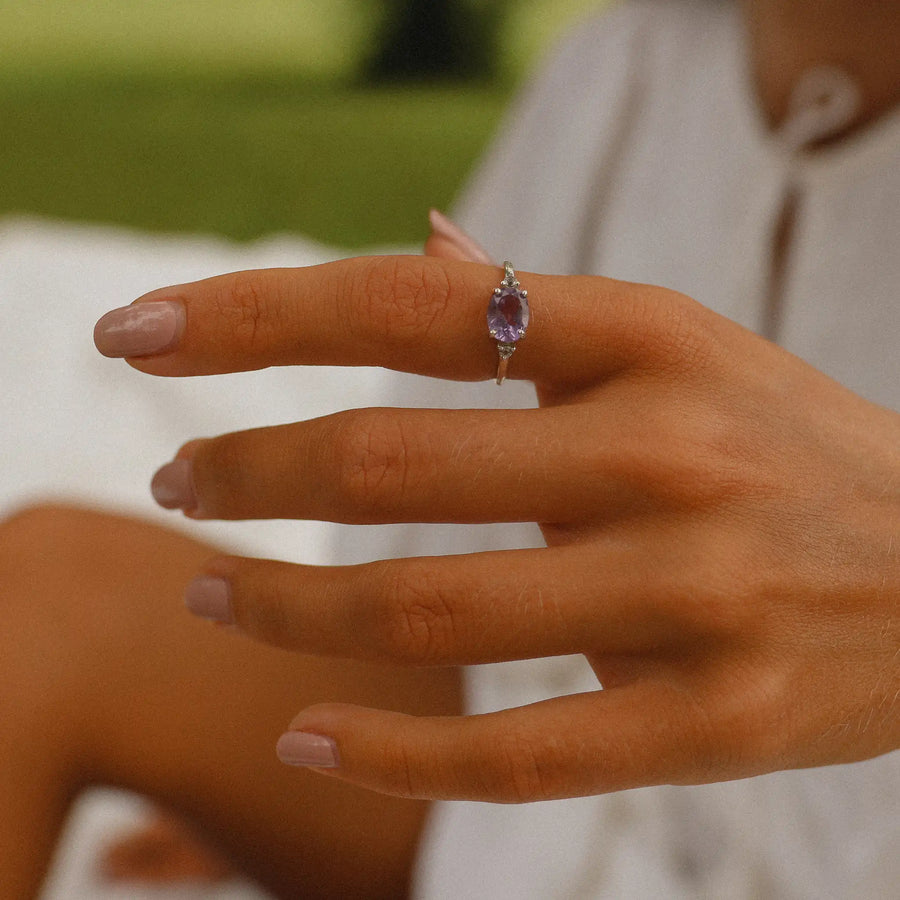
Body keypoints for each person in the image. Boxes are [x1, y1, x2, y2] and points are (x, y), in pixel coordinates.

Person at [2, 0, 898, 897]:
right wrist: (264, 759)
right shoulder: (621, 72)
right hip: (548, 800)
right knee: (51, 593)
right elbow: (434, 584)